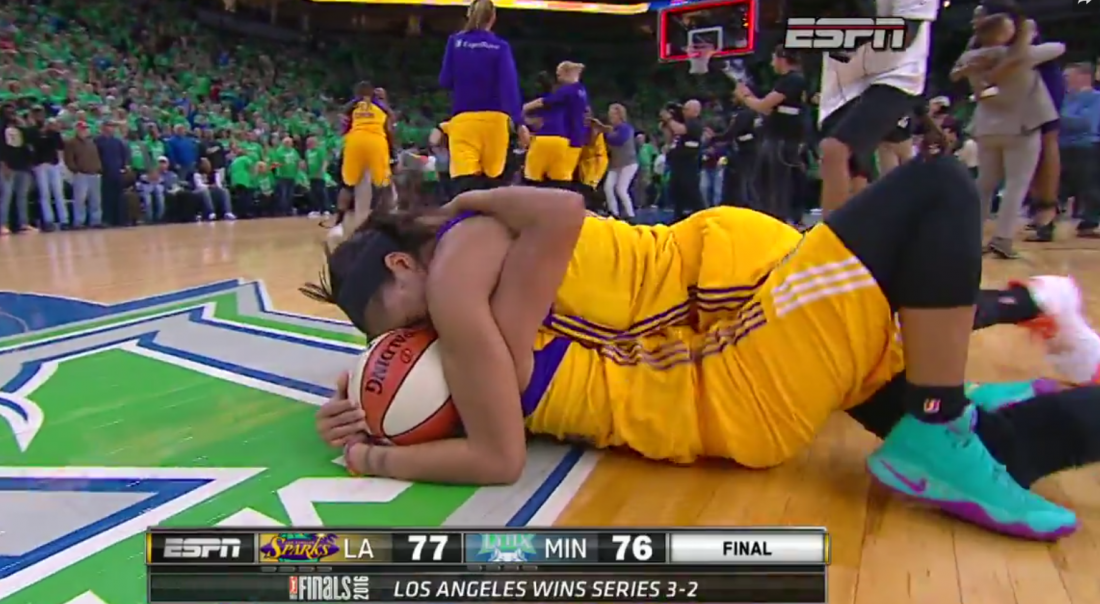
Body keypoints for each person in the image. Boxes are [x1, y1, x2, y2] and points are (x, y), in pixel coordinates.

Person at [304, 155, 1100, 540]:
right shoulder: (461, 282)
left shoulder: (464, 274)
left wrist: (373, 432)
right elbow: (495, 438)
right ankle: (942, 416)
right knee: (937, 191)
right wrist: (371, 441)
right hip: (743, 362)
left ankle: (958, 414)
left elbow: (554, 228)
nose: (402, 338)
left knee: (1005, 441)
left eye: (387, 322)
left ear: (402, 265)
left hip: (745, 352)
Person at [815, 0, 942, 215]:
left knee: (836, 149)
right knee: (852, 169)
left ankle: (831, 235)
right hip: (844, 80)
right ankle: (863, 228)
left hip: (896, 76)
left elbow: (904, 36)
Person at [953, 16, 1063, 259]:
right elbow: (1058, 48)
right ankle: (1002, 239)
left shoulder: (969, 58)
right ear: (1004, 33)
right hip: (1022, 126)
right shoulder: (1024, 55)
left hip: (987, 127)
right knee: (1016, 184)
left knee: (984, 184)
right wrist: (1027, 34)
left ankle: (971, 237)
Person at [439, 0, 527, 194]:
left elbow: (445, 80)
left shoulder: (455, 42)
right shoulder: (501, 46)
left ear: (469, 14)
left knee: (464, 185)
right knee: (492, 186)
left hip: (464, 119)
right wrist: (519, 122)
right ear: (493, 18)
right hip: (495, 122)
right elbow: (509, 86)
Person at [734, 46, 807, 222]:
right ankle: (771, 217)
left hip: (782, 139)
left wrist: (744, 97)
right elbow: (768, 109)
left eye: (774, 58)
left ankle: (779, 221)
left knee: (777, 184)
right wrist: (750, 96)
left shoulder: (792, 80)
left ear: (782, 59)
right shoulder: (786, 82)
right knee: (762, 182)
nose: (772, 63)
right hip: (775, 137)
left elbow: (763, 106)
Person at [522, 62, 589, 190]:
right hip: (575, 139)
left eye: (559, 75)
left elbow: (543, 102)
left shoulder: (567, 90)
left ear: (567, 73)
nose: (558, 79)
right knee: (560, 179)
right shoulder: (582, 91)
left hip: (556, 136)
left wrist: (523, 108)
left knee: (532, 176)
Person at [341, 81, 394, 228]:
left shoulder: (351, 106)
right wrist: (392, 149)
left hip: (354, 143)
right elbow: (390, 127)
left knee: (349, 185)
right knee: (383, 182)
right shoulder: (381, 107)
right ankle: (385, 215)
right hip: (376, 143)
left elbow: (344, 127)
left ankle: (340, 220)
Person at [1057, 63, 1100, 238]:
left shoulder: (1096, 98)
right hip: (1061, 146)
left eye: (1067, 76)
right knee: (1057, 185)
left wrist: (1057, 118)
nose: (1064, 80)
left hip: (1086, 146)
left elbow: (1087, 123)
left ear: (1084, 77)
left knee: (1089, 186)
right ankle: (1046, 221)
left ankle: (1089, 223)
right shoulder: (1065, 98)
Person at [660, 99, 705, 221]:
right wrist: (666, 124)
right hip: (677, 162)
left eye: (686, 109)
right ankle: (678, 215)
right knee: (676, 190)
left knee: (691, 189)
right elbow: (670, 136)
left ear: (695, 111)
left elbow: (680, 130)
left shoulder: (695, 123)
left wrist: (669, 119)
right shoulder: (681, 122)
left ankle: (701, 214)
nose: (683, 112)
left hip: (689, 163)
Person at [594, 104, 637, 220]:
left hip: (628, 163)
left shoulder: (625, 128)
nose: (610, 116)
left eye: (613, 114)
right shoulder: (612, 129)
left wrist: (604, 131)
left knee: (621, 189)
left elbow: (617, 140)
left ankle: (630, 214)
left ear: (619, 115)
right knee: (608, 187)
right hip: (616, 164)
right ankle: (614, 212)